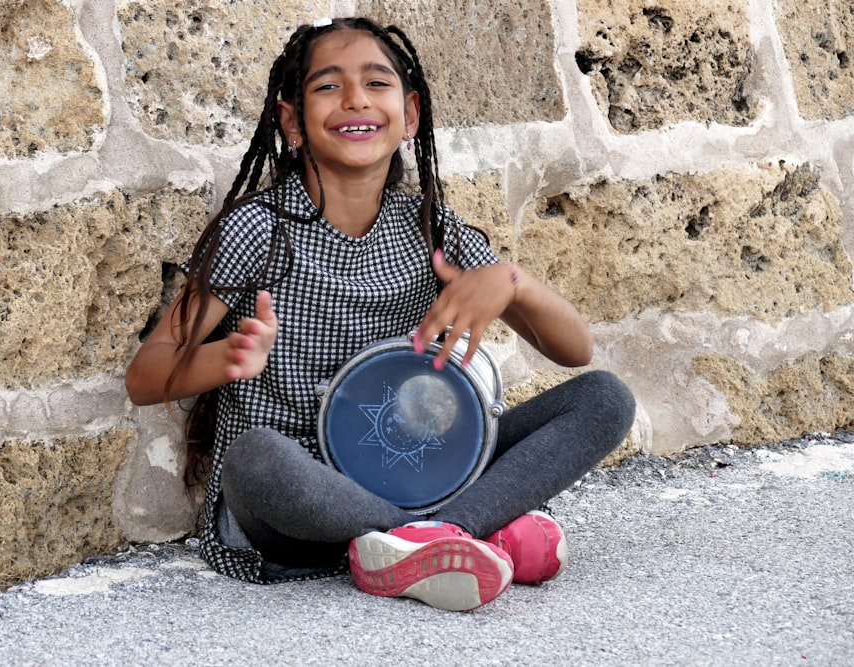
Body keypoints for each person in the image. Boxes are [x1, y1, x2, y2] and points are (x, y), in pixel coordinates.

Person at [125, 16, 636, 612]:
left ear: (410, 113)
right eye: (327, 86)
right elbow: (144, 377)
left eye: (376, 82)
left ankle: (430, 537)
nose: (354, 100)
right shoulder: (257, 229)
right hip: (304, 503)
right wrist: (223, 358)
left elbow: (575, 350)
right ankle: (457, 533)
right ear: (291, 123)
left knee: (605, 397)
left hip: (427, 472)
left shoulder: (430, 230)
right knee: (254, 458)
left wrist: (511, 282)